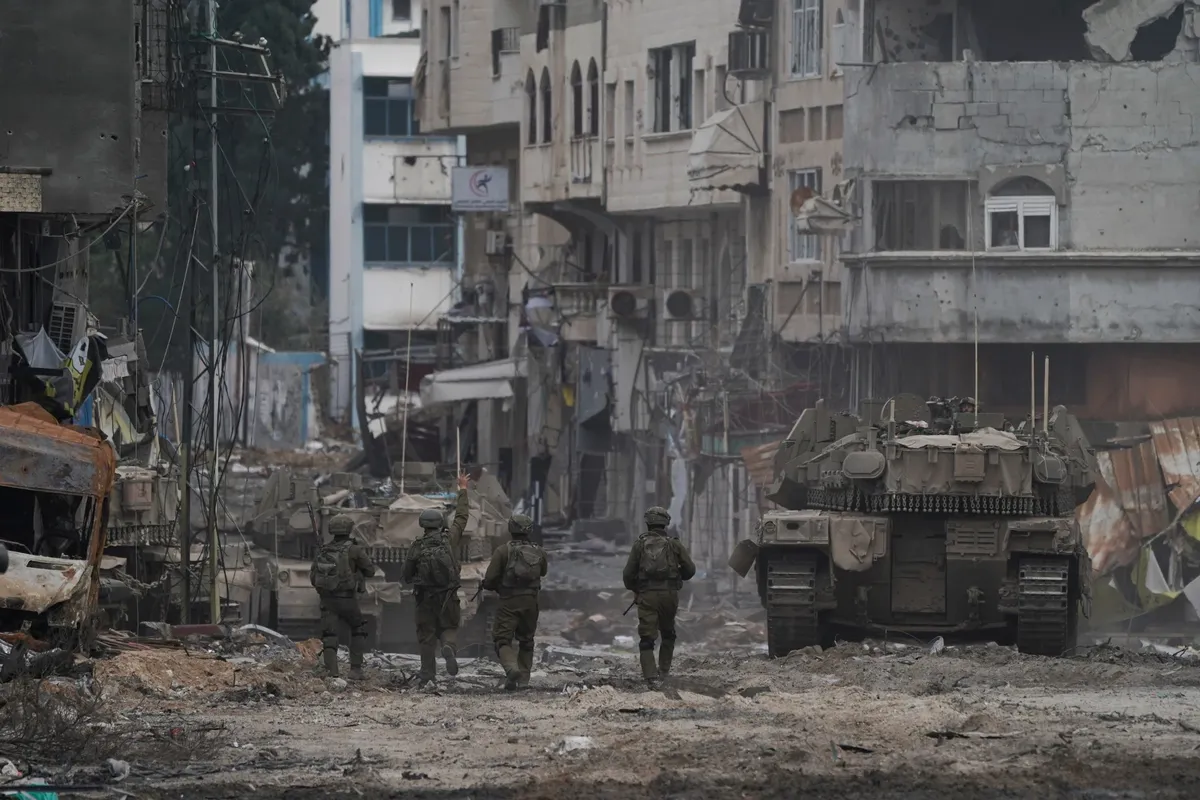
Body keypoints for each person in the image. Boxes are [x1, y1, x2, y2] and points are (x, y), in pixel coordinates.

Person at [402, 473, 470, 686]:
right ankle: (448, 646)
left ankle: (428, 675)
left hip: (425, 599)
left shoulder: (417, 546)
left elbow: (406, 575)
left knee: (426, 637)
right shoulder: (450, 539)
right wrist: (463, 489)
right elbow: (461, 517)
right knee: (449, 627)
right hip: (448, 596)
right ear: (441, 523)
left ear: (422, 524)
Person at [622, 506, 696, 687]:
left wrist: (636, 589)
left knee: (647, 639)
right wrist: (676, 577)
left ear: (647, 523)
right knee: (668, 633)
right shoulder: (674, 544)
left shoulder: (639, 545)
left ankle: (651, 677)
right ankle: (664, 672)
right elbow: (690, 570)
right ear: (666, 523)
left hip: (647, 596)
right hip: (669, 596)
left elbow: (628, 575)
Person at [482, 513, 547, 691]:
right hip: (531, 601)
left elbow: (490, 578)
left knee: (502, 639)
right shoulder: (539, 551)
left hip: (509, 601)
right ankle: (523, 680)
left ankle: (511, 669)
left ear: (511, 529)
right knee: (527, 641)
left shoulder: (503, 551)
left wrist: (493, 586)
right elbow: (543, 572)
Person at [310, 514, 377, 680]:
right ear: (349, 529)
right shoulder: (354, 550)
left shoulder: (324, 550)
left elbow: (313, 577)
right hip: (347, 600)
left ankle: (332, 672)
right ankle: (355, 670)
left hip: (327, 599)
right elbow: (370, 571)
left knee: (329, 636)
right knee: (358, 629)